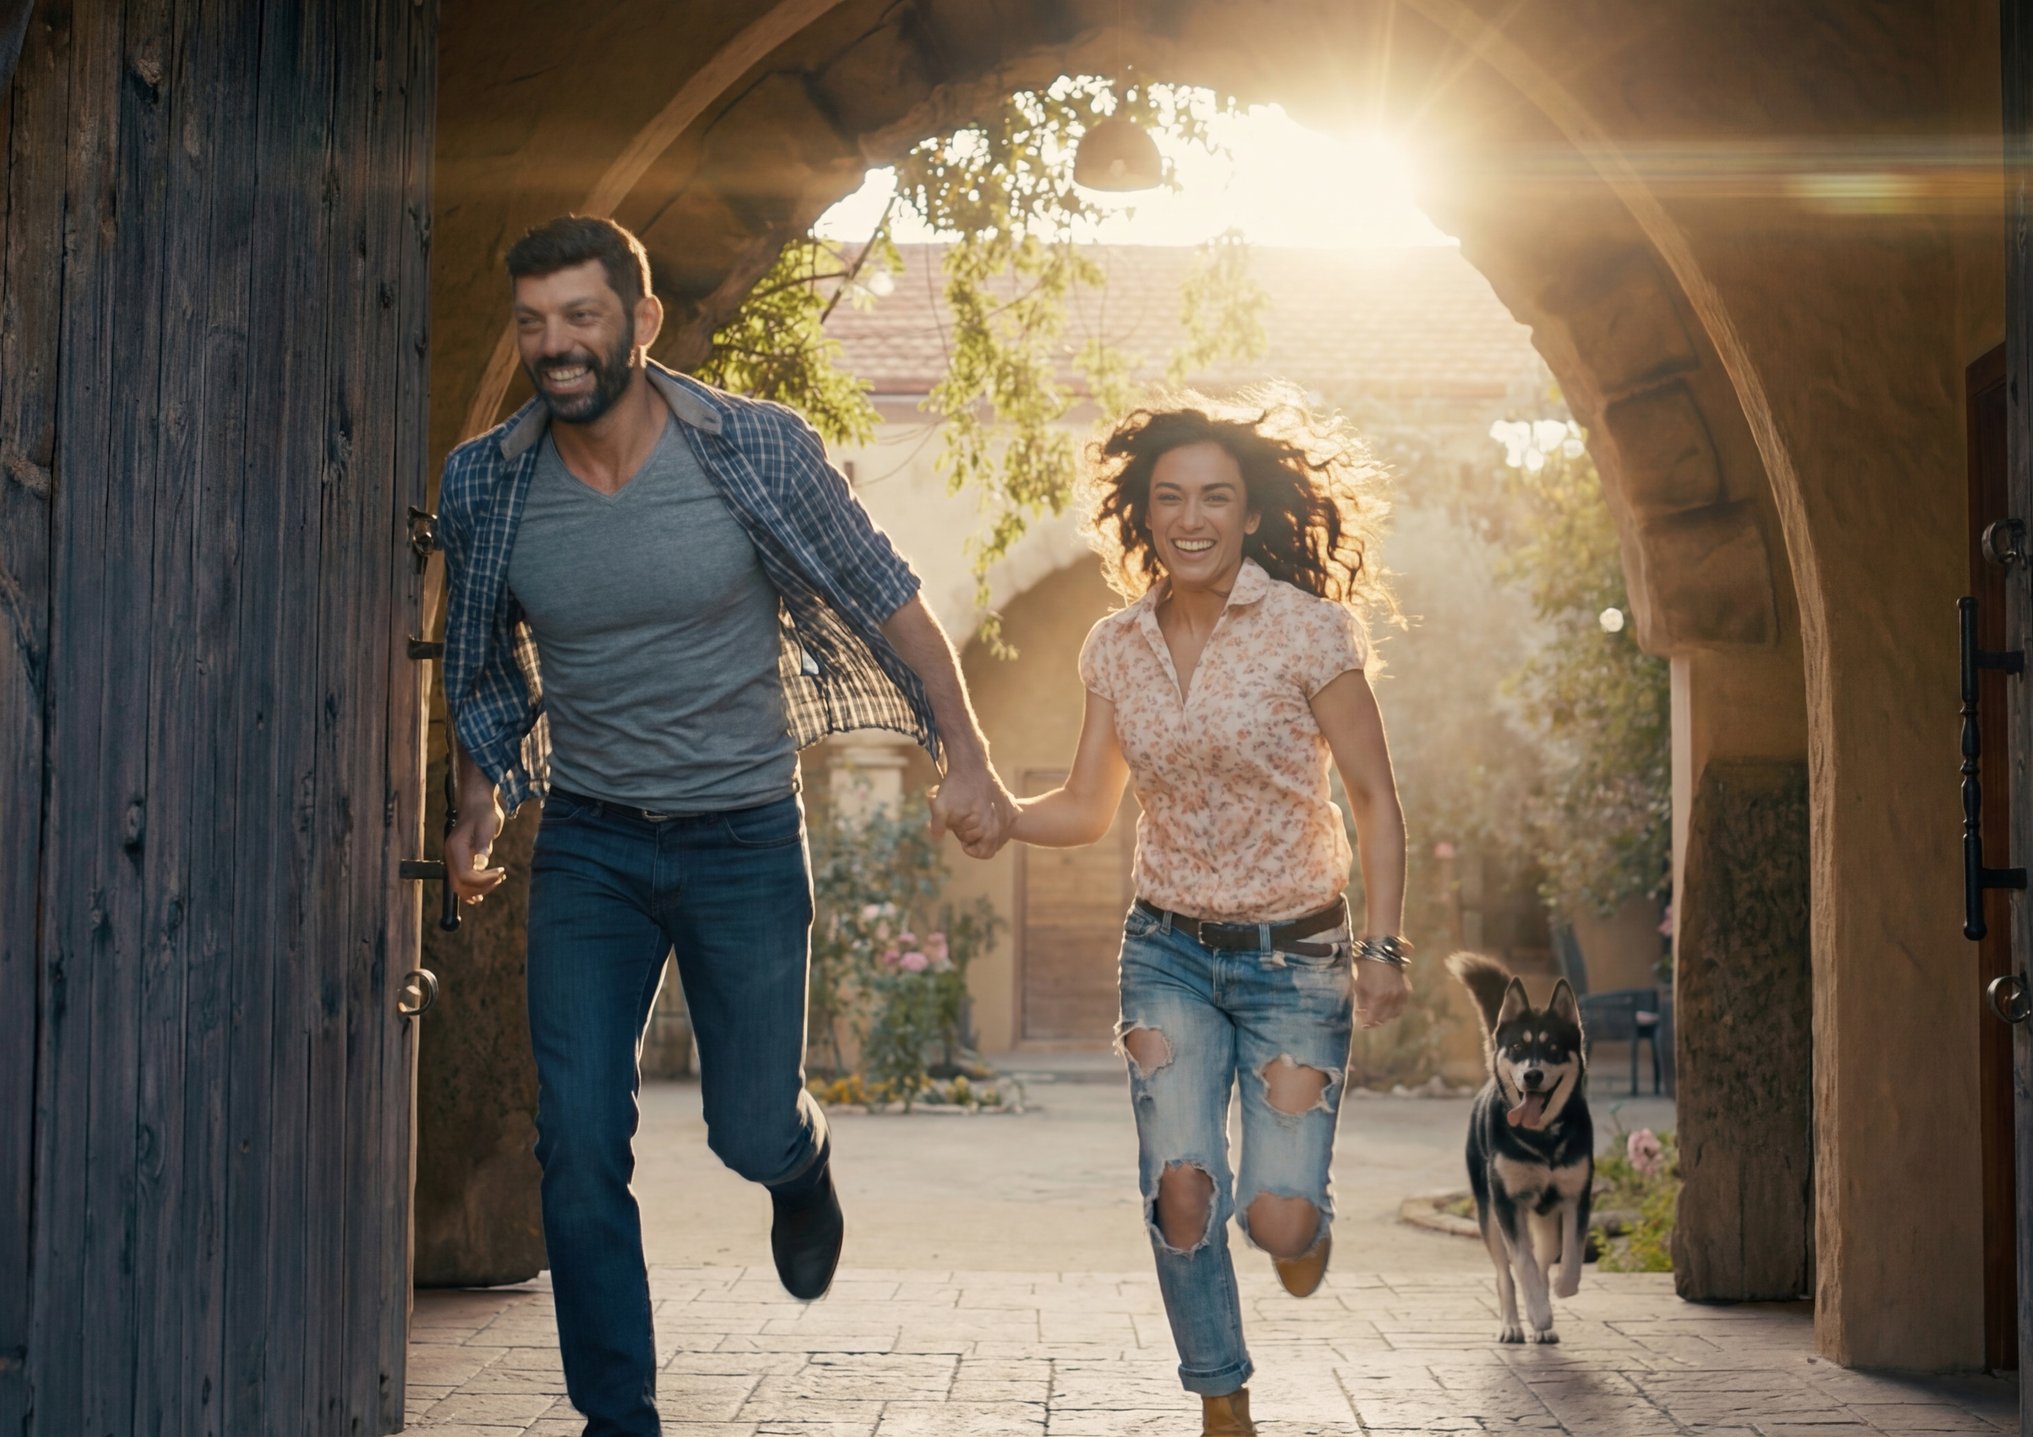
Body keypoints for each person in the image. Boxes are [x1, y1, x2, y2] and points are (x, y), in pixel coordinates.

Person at [434, 215, 1011, 1437]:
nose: (556, 347)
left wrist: (967, 755)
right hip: (591, 840)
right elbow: (478, 660)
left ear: (638, 322)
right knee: (577, 1138)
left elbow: (892, 603)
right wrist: (478, 800)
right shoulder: (487, 479)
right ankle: (618, 1417)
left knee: (745, 1125)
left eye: (581, 317)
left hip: (743, 834)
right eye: (533, 323)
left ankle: (798, 1166)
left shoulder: (751, 448)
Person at [993, 392, 1413, 1437]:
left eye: (1215, 497)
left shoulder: (1309, 632)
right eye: (1170, 496)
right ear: (1142, 512)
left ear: (1248, 512)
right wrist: (997, 816)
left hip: (1297, 956)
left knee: (1272, 1220)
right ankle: (1220, 1396)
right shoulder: (1115, 648)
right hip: (1167, 954)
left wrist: (1383, 947)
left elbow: (1373, 797)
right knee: (1181, 1190)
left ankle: (1301, 1227)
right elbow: (1089, 809)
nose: (1191, 517)